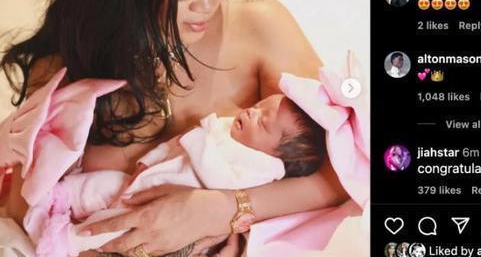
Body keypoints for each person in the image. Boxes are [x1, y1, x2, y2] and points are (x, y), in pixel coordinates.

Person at [1, 0, 347, 256]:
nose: (209, 5)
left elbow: (345, 171)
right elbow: (24, 212)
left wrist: (225, 209)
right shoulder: (68, 64)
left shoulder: (259, 28)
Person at [25, 94, 326, 256]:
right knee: (103, 184)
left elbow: (221, 182)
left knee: (114, 229)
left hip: (160, 212)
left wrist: (200, 141)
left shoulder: (260, 168)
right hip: (143, 181)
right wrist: (148, 161)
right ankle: (60, 196)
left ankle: (65, 244)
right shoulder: (226, 128)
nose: (251, 112)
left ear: (276, 156)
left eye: (263, 122)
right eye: (258, 106)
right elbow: (174, 145)